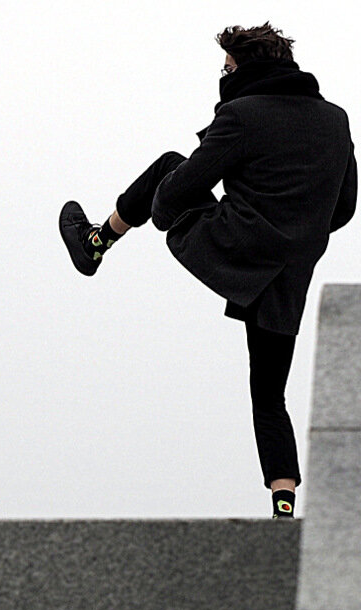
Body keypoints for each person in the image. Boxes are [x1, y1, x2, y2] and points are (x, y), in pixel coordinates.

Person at [59, 22, 357, 519]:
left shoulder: (241, 114)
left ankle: (96, 242)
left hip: (235, 245)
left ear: (245, 68)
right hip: (289, 275)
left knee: (167, 166)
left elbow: (177, 192)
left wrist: (180, 206)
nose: (223, 77)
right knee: (269, 394)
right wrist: (295, 224)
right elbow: (343, 208)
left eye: (227, 68)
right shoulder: (336, 120)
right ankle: (283, 507)